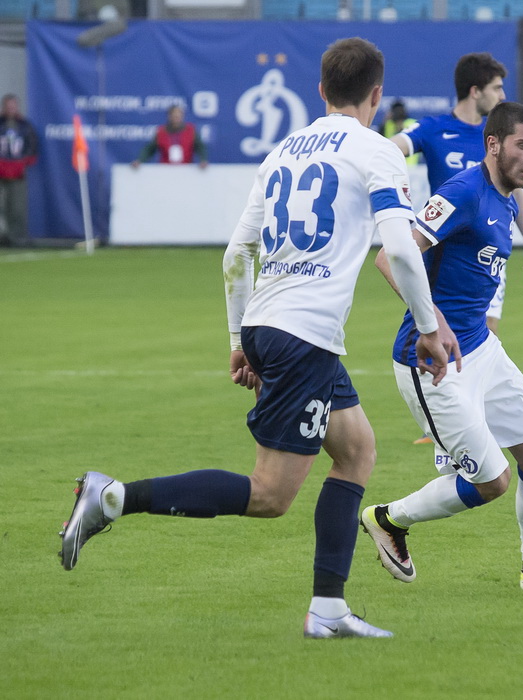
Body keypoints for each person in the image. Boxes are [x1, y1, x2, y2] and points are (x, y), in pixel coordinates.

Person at [58, 37, 454, 640]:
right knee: (270, 494)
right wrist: (428, 328)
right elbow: (399, 246)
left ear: (320, 91)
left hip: (273, 323)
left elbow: (236, 251)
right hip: (306, 337)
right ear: (377, 94)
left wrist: (239, 337)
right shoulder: (376, 151)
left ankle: (328, 611)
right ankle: (114, 496)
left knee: (357, 452)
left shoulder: (282, 152)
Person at [361, 102, 523, 593]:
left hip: (482, 350)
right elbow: (390, 257)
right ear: (493, 144)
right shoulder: (464, 192)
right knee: (491, 482)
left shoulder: (508, 197)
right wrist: (434, 325)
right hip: (431, 361)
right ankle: (388, 519)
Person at [392, 53, 523, 445]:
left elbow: (513, 194)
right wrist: (389, 189)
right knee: (451, 324)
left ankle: (461, 417)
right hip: (447, 239)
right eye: (496, 87)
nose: (502, 94)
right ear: (475, 91)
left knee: (483, 333)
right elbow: (392, 148)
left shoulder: (500, 145)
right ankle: (450, 422)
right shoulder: (436, 130)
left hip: (490, 244)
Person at [0, 94, 38, 247]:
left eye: (13, 106)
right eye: (8, 106)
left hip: (17, 173)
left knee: (17, 207)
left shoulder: (24, 125)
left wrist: (23, 163)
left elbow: (32, 146)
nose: (11, 109)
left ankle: (17, 238)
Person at [131, 105, 208, 168]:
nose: (176, 119)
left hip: (186, 169)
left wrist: (203, 160)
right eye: (174, 116)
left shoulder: (191, 131)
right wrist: (140, 160)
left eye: (179, 116)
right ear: (169, 117)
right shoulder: (161, 132)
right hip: (166, 170)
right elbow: (149, 149)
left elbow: (200, 147)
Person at [381, 99, 418, 165]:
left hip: (411, 166)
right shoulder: (388, 125)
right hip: (392, 165)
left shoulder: (413, 124)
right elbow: (379, 140)